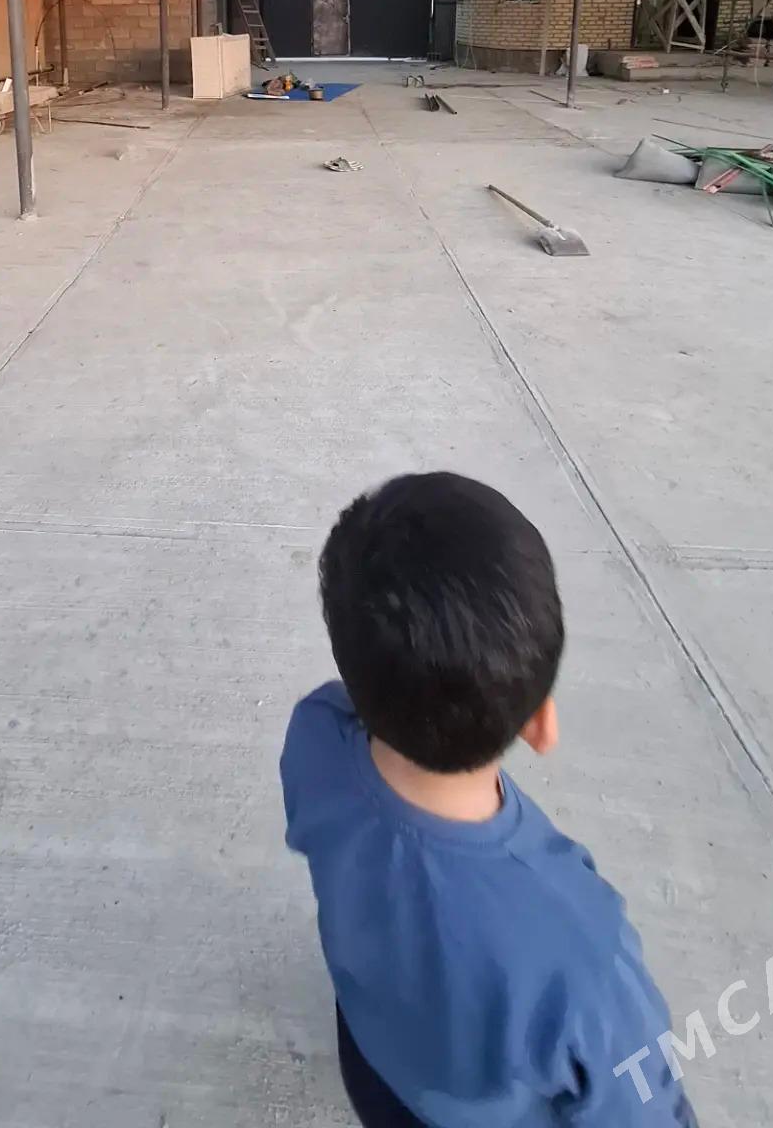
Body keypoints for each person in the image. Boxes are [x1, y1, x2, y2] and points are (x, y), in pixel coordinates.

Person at [281, 473, 697, 1127]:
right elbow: (637, 1108)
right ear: (540, 724)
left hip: (375, 1069)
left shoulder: (316, 737)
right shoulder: (581, 951)